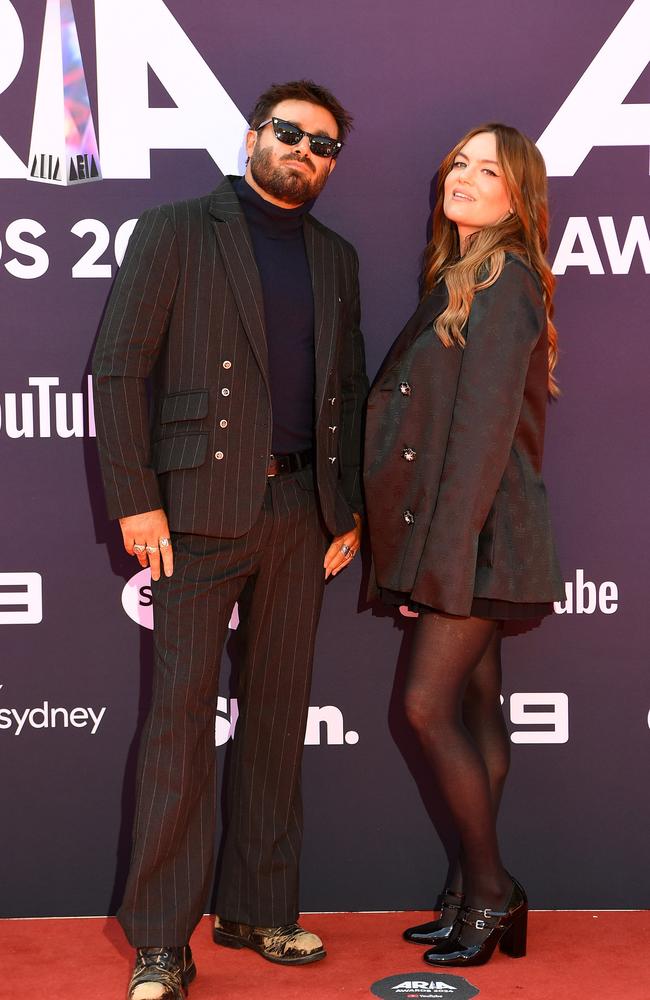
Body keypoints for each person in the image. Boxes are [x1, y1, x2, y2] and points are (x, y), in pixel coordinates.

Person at [92, 79, 368, 1000]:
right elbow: (120, 365)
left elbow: (349, 393)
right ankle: (163, 940)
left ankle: (257, 908)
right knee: (179, 726)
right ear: (255, 135)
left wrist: (348, 503)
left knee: (277, 722)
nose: (305, 152)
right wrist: (136, 497)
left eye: (324, 146)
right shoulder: (176, 228)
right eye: (291, 134)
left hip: (301, 515)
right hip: (194, 513)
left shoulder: (335, 257)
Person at [364, 123, 564, 967]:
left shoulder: (506, 280)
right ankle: (472, 892)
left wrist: (437, 567)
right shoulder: (462, 273)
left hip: (482, 536)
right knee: (477, 705)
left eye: (490, 171)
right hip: (474, 534)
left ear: (519, 199)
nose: (467, 178)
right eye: (459, 164)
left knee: (424, 707)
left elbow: (481, 439)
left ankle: (491, 892)